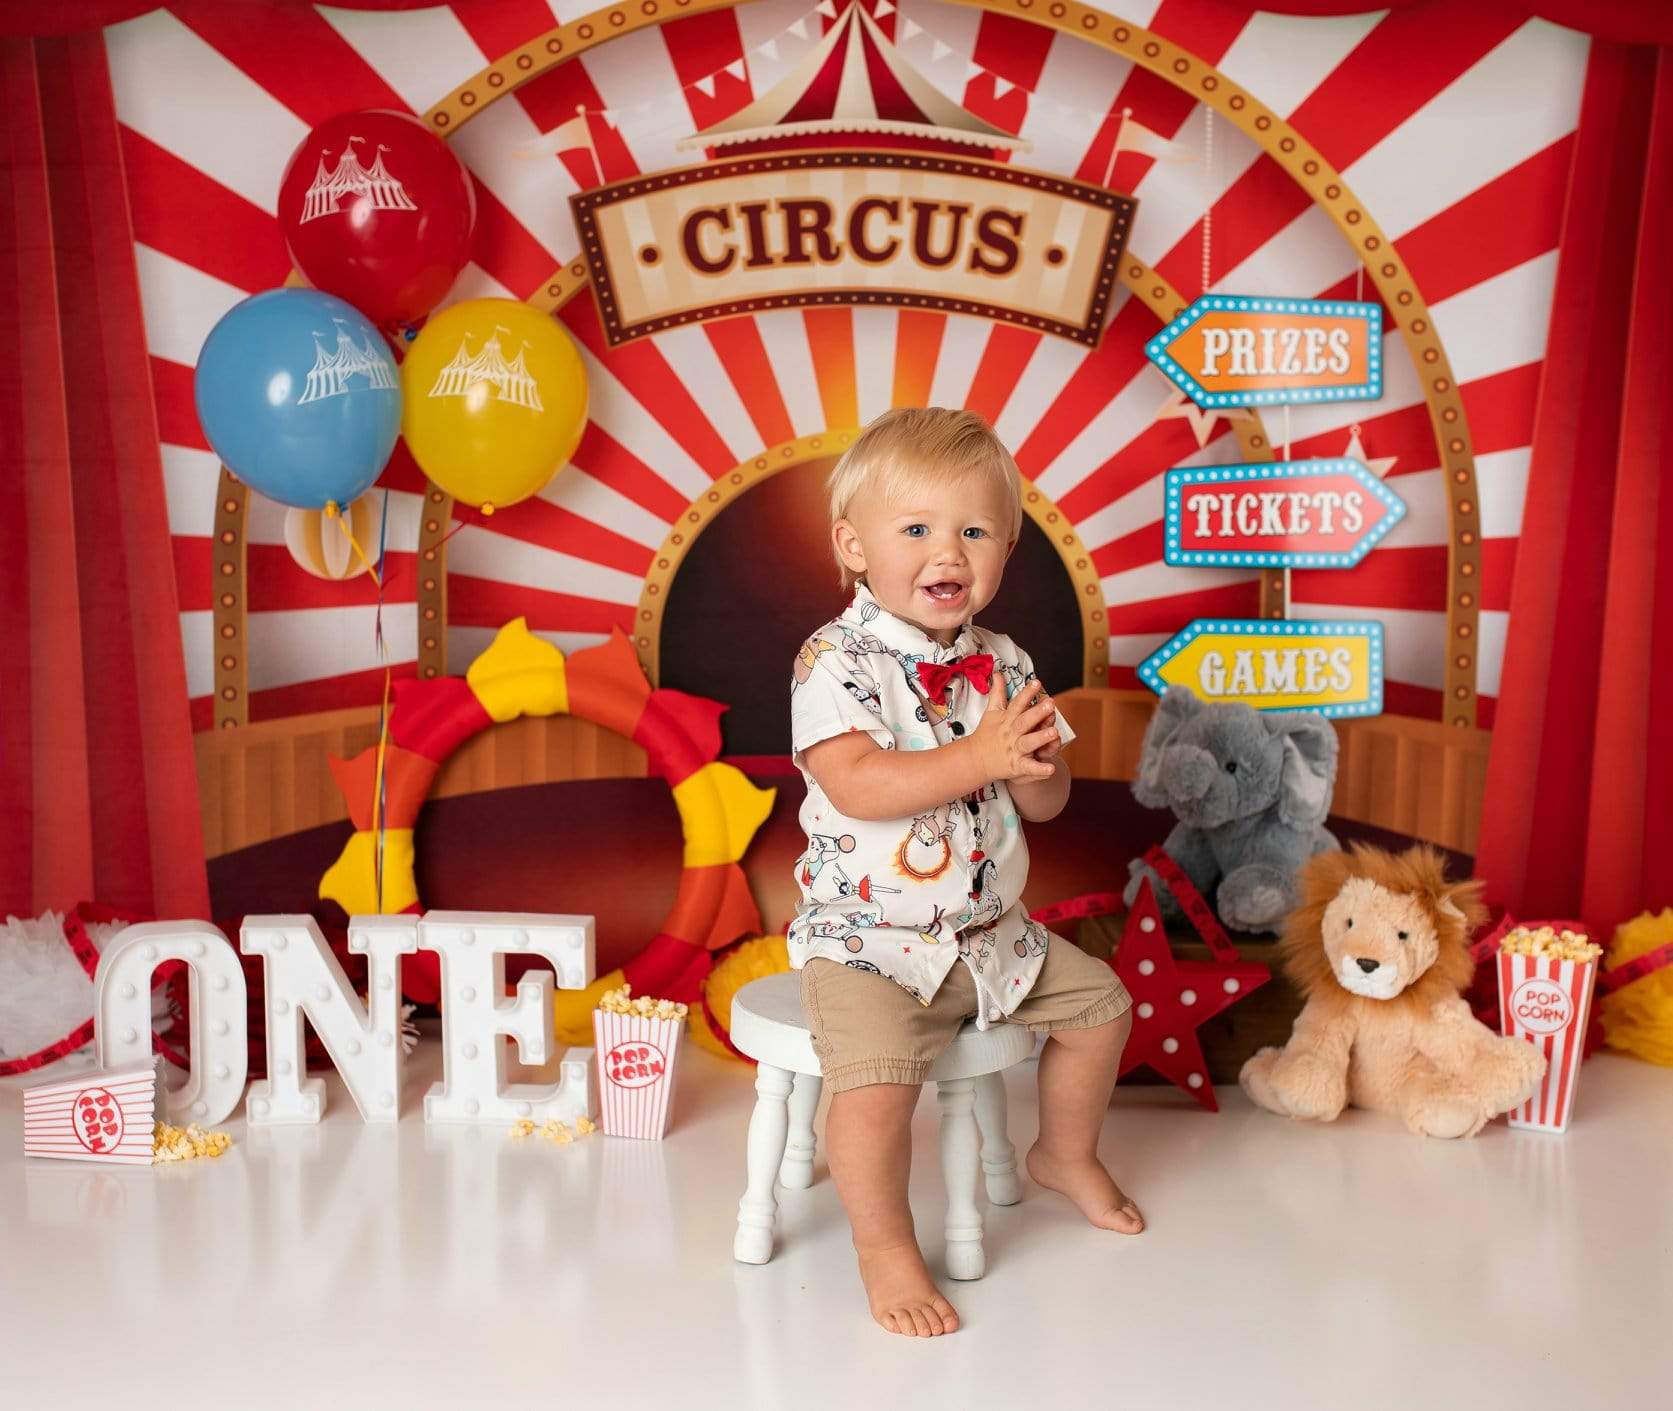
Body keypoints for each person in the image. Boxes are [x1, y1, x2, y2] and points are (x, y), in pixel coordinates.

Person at [789, 407, 1142, 1339]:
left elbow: (1046, 802)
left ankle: (1063, 1152)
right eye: (915, 529)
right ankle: (884, 1245)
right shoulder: (834, 659)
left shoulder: (1004, 660)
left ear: (1005, 549)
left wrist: (1035, 768)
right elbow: (859, 785)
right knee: (871, 1094)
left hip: (990, 934)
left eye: (974, 530)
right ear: (852, 545)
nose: (947, 550)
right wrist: (980, 758)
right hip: (871, 940)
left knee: (1103, 1008)